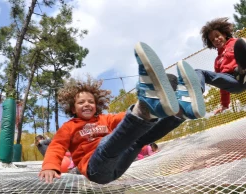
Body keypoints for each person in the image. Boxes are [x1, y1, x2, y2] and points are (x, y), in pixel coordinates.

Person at [38, 42, 206, 184]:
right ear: (73, 108)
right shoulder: (70, 127)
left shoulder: (104, 119)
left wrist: (157, 114)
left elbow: (124, 120)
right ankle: (146, 106)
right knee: (105, 144)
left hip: (120, 164)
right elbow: (56, 146)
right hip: (96, 168)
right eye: (81, 102)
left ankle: (180, 112)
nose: (87, 104)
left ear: (96, 105)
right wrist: (49, 166)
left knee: (138, 139)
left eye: (91, 102)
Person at [177, 17, 246, 115]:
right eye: (213, 40)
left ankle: (242, 71)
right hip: (232, 82)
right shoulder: (218, 61)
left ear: (224, 34)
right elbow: (222, 86)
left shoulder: (235, 42)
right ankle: (196, 95)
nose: (216, 40)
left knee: (241, 43)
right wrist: (224, 105)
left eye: (217, 36)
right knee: (199, 72)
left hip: (240, 70)